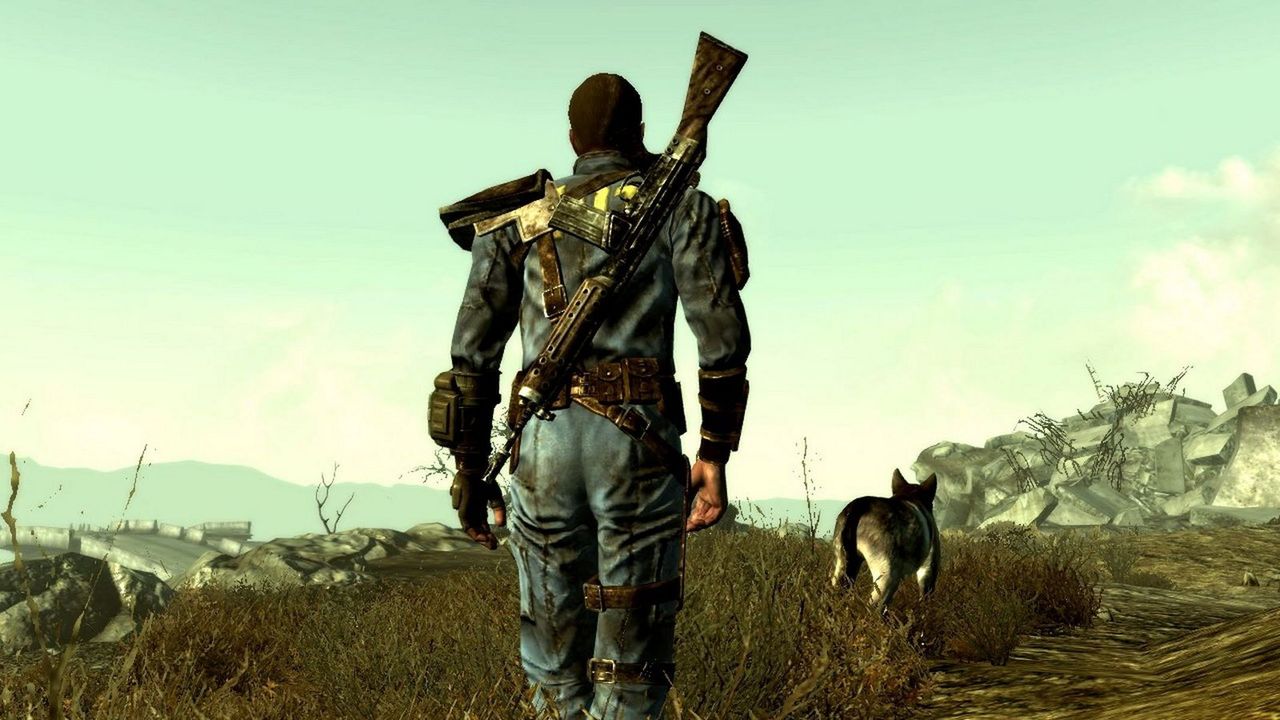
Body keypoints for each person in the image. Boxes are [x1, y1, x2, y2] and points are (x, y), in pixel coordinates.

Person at [430, 72, 750, 720]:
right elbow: (722, 341)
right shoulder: (683, 208)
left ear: (573, 139)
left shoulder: (515, 218)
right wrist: (714, 454)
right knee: (630, 668)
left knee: (551, 668)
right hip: (639, 448)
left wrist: (469, 469)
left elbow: (471, 357)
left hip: (541, 449)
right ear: (640, 133)